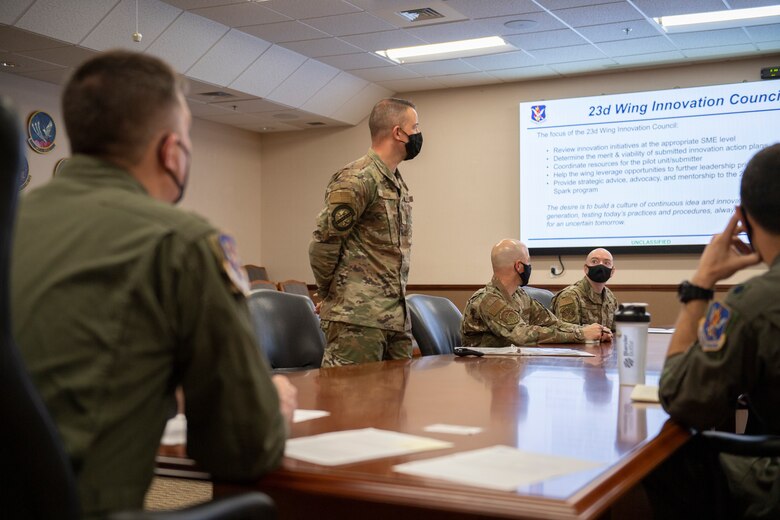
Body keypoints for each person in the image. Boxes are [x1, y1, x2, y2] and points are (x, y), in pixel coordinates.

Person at [10, 50, 297, 518]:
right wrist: (275, 412)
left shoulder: (12, 224)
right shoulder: (183, 243)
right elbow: (241, 449)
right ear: (171, 151)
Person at [644, 144, 780, 519]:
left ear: (743, 217)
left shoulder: (752, 303)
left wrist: (702, 283)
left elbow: (682, 398)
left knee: (665, 456)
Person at [309, 98, 421, 367]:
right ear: (398, 132)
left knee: (394, 407)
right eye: (414, 127)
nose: (418, 134)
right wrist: (329, 294)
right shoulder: (358, 178)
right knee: (350, 405)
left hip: (394, 318)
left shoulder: (396, 182)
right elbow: (324, 243)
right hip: (357, 321)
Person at [460, 239, 611, 347]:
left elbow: (552, 322)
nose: (530, 266)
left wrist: (590, 331)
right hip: (484, 373)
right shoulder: (488, 300)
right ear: (519, 266)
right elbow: (521, 335)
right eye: (528, 261)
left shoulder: (520, 295)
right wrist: (581, 335)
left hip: (508, 367)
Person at [551, 248, 619, 330]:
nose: (601, 266)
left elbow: (615, 331)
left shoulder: (610, 297)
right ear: (586, 269)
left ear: (612, 271)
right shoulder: (570, 296)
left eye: (606, 263)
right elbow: (567, 333)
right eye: (594, 261)